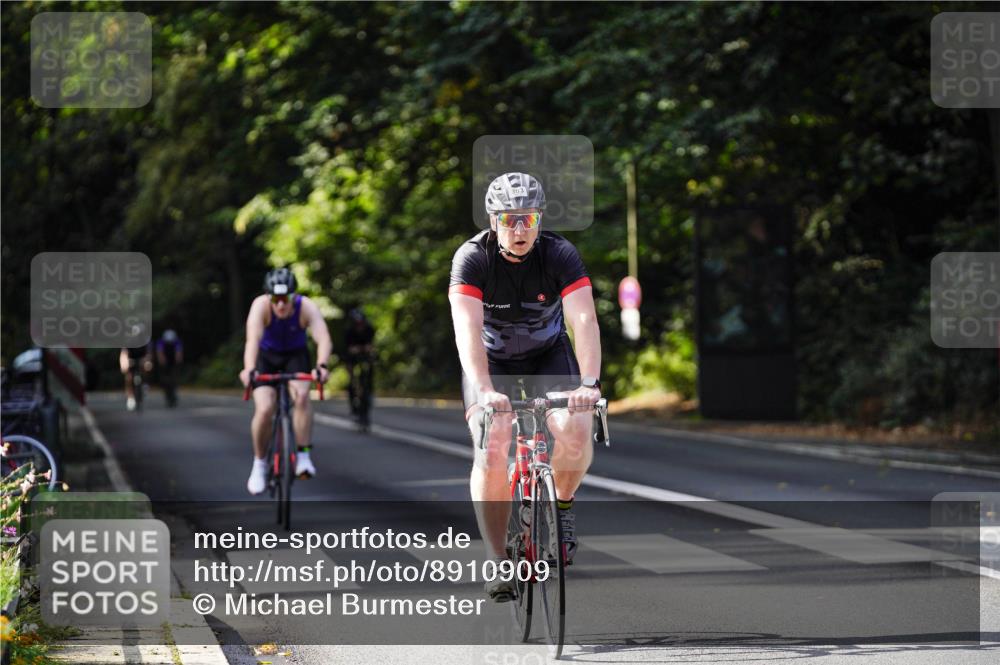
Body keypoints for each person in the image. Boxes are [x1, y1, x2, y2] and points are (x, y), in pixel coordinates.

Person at [448, 172, 602, 602]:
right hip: (491, 360)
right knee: (493, 443)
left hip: (547, 355)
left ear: (539, 220)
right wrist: (484, 389)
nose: (520, 230)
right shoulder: (472, 258)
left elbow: (584, 319)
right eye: (510, 220)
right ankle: (498, 561)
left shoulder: (559, 254)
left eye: (528, 219)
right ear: (494, 221)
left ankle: (564, 505)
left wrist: (588, 384)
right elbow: (466, 327)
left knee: (577, 424)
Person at [239, 267, 332, 494]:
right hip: (266, 357)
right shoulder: (260, 306)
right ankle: (259, 464)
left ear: (294, 296)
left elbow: (323, 337)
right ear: (269, 297)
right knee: (265, 408)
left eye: (286, 298)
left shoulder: (306, 306)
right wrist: (249, 369)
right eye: (276, 299)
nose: (281, 305)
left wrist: (321, 365)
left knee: (301, 396)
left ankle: (303, 455)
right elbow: (252, 340)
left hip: (295, 356)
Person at [343, 307, 375, 429]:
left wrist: (367, 349)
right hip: (352, 359)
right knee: (352, 382)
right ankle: (354, 406)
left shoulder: (369, 329)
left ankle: (368, 398)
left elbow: (371, 346)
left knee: (368, 378)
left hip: (365, 358)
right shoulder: (349, 331)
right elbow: (348, 349)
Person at [119, 340, 153, 411]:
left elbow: (148, 354)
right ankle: (130, 397)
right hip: (131, 360)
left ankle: (145, 384)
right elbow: (124, 354)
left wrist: (148, 362)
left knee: (146, 369)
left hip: (141, 360)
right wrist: (124, 364)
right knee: (129, 377)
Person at [155, 329, 184, 408]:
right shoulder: (161, 342)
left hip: (173, 362)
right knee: (165, 380)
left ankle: (174, 393)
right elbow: (159, 353)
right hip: (165, 362)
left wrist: (178, 361)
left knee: (174, 379)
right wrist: (162, 362)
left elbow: (179, 353)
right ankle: (167, 395)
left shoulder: (177, 342)